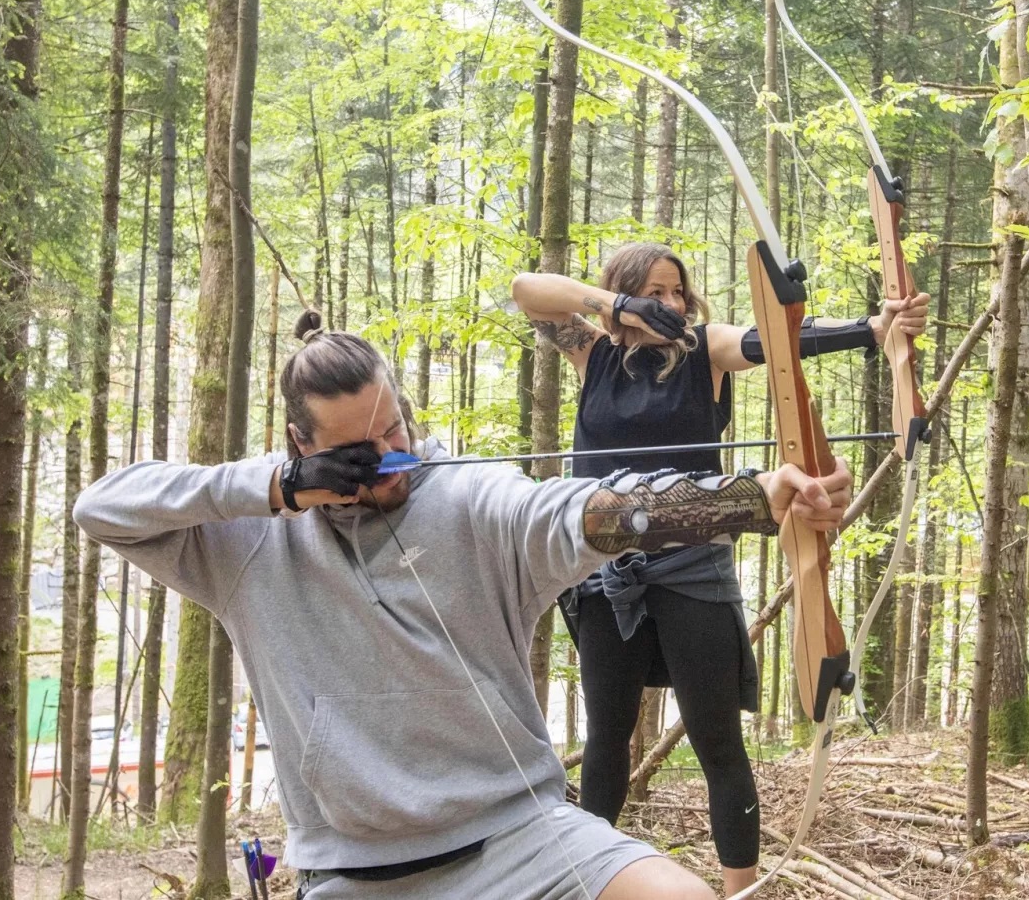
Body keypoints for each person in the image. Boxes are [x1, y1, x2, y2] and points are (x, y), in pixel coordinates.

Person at [71, 313, 853, 900]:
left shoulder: (473, 499)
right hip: (350, 872)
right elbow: (101, 509)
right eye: (359, 452)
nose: (390, 460)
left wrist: (746, 500)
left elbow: (583, 510)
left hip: (523, 840)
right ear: (299, 446)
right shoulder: (243, 542)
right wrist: (273, 488)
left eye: (395, 429)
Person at [511, 241, 929, 894]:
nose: (673, 303)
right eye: (656, 291)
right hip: (605, 576)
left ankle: (740, 890)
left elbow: (778, 342)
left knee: (719, 747)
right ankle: (584, 884)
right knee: (605, 747)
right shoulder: (591, 354)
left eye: (679, 291)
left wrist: (874, 330)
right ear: (625, 294)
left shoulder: (704, 350)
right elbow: (527, 289)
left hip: (691, 570)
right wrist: (616, 308)